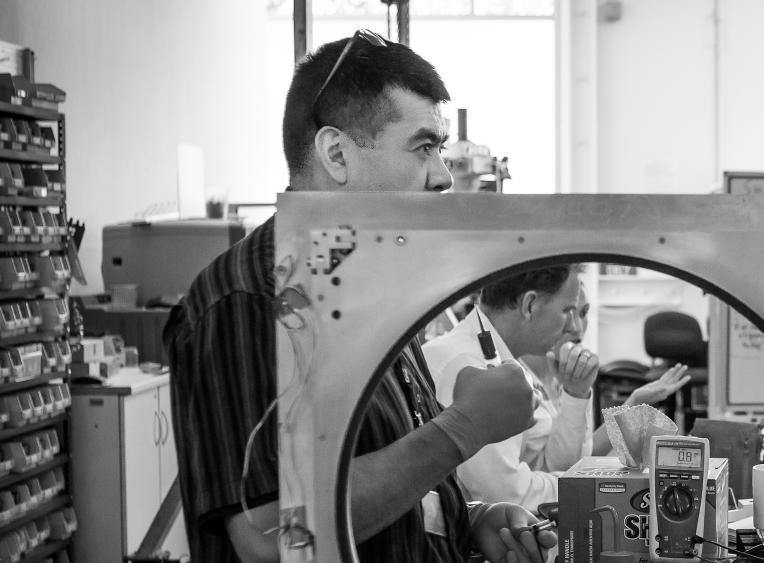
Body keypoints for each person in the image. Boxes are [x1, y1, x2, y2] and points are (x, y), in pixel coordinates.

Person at [166, 31, 555, 563]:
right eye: (423, 147)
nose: (442, 176)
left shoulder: (372, 290)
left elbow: (400, 479)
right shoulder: (249, 301)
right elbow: (271, 535)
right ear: (336, 154)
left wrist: (476, 520)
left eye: (440, 149)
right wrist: (463, 429)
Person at [423, 265, 690, 510]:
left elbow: (551, 465)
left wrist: (575, 395)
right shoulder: (466, 365)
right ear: (529, 305)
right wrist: (595, 484)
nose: (574, 327)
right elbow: (506, 496)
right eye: (567, 311)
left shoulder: (504, 362)